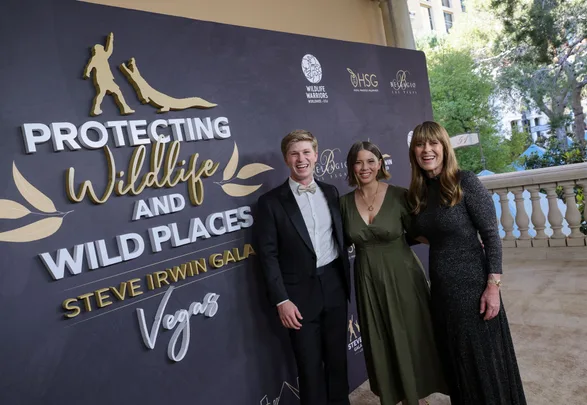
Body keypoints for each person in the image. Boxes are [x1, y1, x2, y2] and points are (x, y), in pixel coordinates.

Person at [407, 121, 527, 405]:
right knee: (458, 366)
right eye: (420, 145)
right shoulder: (419, 193)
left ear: (444, 147)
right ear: (414, 152)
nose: (427, 150)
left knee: (484, 365)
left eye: (433, 143)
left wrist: (493, 287)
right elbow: (415, 233)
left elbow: (491, 236)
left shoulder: (465, 181)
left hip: (474, 289)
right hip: (442, 292)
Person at [339, 141, 447, 405]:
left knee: (413, 334)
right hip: (367, 279)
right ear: (351, 167)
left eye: (370, 161)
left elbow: (422, 232)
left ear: (380, 164)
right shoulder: (342, 204)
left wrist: (458, 239)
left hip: (404, 275)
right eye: (358, 162)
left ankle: (418, 397)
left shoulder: (400, 195)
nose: (365, 167)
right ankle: (395, 394)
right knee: (381, 339)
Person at [255, 129, 351, 405]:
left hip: (334, 286)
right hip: (297, 297)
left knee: (338, 363)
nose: (301, 159)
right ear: (286, 159)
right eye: (295, 153)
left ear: (316, 155)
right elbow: (267, 256)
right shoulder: (270, 203)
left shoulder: (331, 192)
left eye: (306, 152)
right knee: (309, 370)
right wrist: (282, 299)